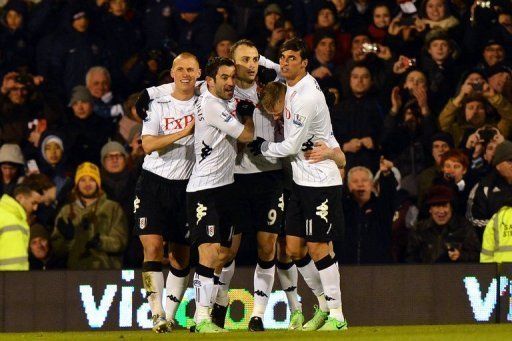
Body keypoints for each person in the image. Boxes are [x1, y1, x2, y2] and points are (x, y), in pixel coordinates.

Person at [250, 38, 347, 331]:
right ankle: (322, 304)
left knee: (319, 247)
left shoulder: (306, 96)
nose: (285, 62)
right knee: (293, 248)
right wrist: (257, 59)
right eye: (283, 57)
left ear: (305, 63)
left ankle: (337, 315)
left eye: (292, 57)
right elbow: (270, 65)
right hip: (301, 181)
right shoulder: (291, 83)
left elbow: (291, 145)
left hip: (320, 179)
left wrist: (263, 147)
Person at [186, 57, 254, 333]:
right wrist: (248, 116)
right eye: (224, 77)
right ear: (211, 82)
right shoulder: (211, 105)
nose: (230, 82)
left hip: (226, 188)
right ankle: (201, 318)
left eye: (231, 77)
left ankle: (217, 303)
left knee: (225, 254)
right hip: (205, 190)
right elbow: (246, 137)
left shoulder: (209, 93)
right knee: (210, 252)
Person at [133, 53, 199, 333]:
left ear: (198, 74)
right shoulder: (158, 104)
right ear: (172, 73)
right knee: (152, 248)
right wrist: (183, 133)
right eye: (180, 69)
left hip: (187, 186)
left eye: (191, 70)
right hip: (153, 183)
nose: (185, 74)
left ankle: (168, 318)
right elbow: (148, 144)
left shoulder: (205, 98)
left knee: (181, 258)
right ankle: (157, 312)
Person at [51, 162, 128, 270]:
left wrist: (100, 242)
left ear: (98, 183)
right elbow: (56, 248)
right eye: (82, 180)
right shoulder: (66, 211)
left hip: (107, 272)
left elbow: (120, 242)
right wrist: (68, 240)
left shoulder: (113, 208)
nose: (87, 184)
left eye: (92, 179)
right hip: (75, 272)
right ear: (77, 184)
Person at [341, 159, 397, 264]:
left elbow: (389, 196)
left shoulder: (381, 208)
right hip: (347, 269)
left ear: (371, 184)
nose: (360, 184)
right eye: (355, 181)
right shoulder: (343, 208)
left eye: (364, 180)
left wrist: (386, 174)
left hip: (378, 270)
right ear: (348, 186)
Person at [407, 185, 480, 263]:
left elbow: (477, 255)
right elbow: (410, 260)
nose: (441, 211)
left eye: (445, 206)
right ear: (430, 209)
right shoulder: (419, 229)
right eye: (437, 206)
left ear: (451, 208)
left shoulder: (464, 227)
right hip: (427, 274)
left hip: (456, 273)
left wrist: (461, 255)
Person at [467, 140, 512, 238]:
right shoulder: (484, 187)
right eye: (510, 161)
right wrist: (506, 228)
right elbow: (473, 220)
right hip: (494, 248)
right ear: (498, 164)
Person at [0, 184, 42, 270]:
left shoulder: (20, 220)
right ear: (20, 198)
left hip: (17, 278)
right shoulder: (4, 215)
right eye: (33, 203)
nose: (35, 208)